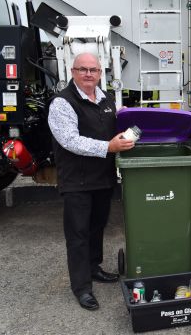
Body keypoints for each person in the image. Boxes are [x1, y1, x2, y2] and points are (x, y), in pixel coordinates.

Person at [48, 53, 134, 310]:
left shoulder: (105, 98)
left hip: (102, 178)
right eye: (82, 69)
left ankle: (94, 267)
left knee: (97, 227)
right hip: (77, 180)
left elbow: (112, 128)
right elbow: (70, 141)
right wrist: (109, 146)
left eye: (93, 70)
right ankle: (81, 287)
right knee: (78, 235)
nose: (88, 74)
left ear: (100, 73)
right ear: (72, 72)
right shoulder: (62, 103)